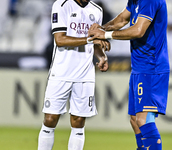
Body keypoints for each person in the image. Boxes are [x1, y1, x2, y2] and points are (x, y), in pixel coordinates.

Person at [88, 0, 170, 150]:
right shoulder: (134, 1)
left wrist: (105, 34)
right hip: (139, 68)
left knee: (143, 120)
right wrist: (100, 30)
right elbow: (122, 19)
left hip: (152, 67)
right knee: (134, 120)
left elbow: (138, 30)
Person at [37, 0, 110, 150]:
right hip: (61, 72)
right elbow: (60, 39)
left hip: (85, 73)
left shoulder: (97, 10)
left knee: (78, 121)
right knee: (50, 119)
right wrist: (90, 39)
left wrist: (102, 57)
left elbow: (95, 43)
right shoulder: (62, 5)